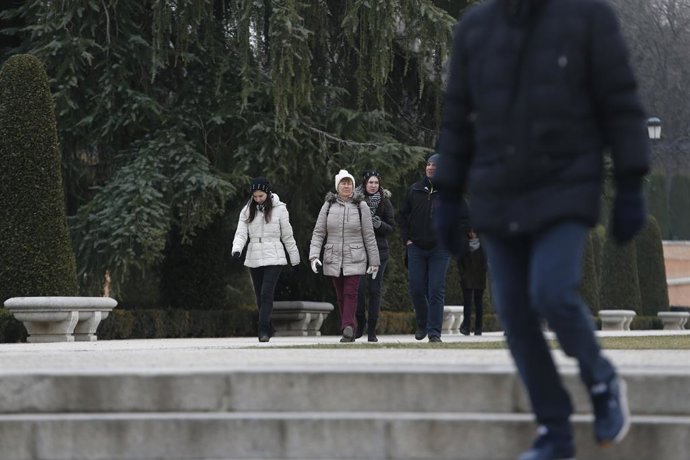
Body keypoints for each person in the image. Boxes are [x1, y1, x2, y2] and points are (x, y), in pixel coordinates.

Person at [433, 0, 649, 459]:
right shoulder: (477, 27)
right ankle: (555, 430)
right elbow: (457, 120)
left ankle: (602, 380)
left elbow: (620, 102)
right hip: (499, 192)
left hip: (565, 188)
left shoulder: (587, 18)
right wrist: (449, 197)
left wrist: (631, 181)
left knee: (551, 292)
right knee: (514, 316)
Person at [309, 170, 380, 343]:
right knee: (341, 295)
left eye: (349, 183)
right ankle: (351, 325)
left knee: (350, 293)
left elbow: (369, 235)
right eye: (343, 183)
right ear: (337, 186)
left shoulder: (360, 205)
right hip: (333, 256)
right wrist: (313, 256)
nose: (346, 186)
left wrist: (374, 261)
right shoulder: (328, 206)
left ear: (353, 186)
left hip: (355, 256)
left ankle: (347, 327)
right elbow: (319, 232)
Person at [399, 155, 464, 343]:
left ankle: (434, 333)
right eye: (428, 164)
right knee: (416, 289)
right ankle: (422, 323)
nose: (430, 168)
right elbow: (402, 216)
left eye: (435, 165)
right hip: (416, 248)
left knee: (436, 289)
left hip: (440, 249)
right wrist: (407, 240)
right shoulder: (414, 190)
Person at [231, 177, 300, 342]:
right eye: (255, 196)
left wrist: (294, 257)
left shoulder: (280, 209)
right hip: (254, 255)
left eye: (261, 196)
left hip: (274, 255)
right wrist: (237, 249)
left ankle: (262, 329)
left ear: (267, 194)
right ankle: (268, 326)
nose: (258, 199)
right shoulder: (247, 210)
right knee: (259, 296)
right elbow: (241, 233)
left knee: (266, 293)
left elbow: (287, 235)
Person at [355, 170, 395, 342]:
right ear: (365, 184)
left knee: (374, 289)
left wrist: (379, 224)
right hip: (359, 251)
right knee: (359, 289)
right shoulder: (355, 201)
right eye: (370, 182)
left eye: (376, 183)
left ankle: (372, 330)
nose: (373, 186)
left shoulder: (385, 203)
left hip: (380, 252)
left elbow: (391, 228)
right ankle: (360, 322)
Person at [458, 228, 487, 336]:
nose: (472, 233)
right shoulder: (463, 244)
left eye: (473, 231)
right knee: (467, 303)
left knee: (478, 303)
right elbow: (459, 261)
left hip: (479, 276)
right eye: (470, 231)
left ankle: (478, 328)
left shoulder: (484, 244)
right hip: (467, 276)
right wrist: (463, 274)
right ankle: (466, 327)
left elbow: (486, 261)